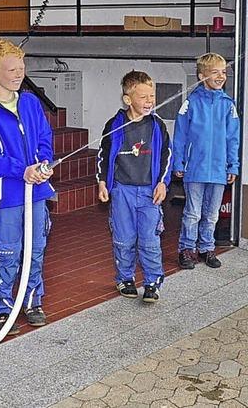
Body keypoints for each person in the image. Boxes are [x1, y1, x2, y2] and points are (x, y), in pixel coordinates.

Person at [0, 40, 55, 335]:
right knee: (8, 253)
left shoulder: (31, 102)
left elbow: (45, 136)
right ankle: (3, 308)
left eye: (21, 67)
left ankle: (33, 301)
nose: (19, 74)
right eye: (12, 69)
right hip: (7, 196)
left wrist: (44, 163)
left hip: (38, 193)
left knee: (36, 250)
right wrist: (23, 171)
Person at [96, 70, 172, 303]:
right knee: (124, 238)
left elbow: (166, 156)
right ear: (128, 99)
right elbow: (104, 155)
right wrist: (102, 182)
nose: (149, 101)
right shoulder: (115, 125)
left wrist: (162, 182)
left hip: (150, 192)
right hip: (122, 191)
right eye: (143, 97)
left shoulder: (156, 126)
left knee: (149, 240)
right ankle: (125, 278)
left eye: (152, 96)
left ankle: (152, 282)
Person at [173, 53, 240, 269]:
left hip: (219, 170)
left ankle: (207, 248)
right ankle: (187, 249)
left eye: (224, 72)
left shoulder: (228, 105)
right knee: (192, 212)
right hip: (195, 169)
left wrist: (233, 164)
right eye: (215, 72)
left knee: (212, 213)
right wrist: (179, 162)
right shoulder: (191, 102)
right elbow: (180, 135)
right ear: (202, 76)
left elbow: (233, 138)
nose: (221, 76)